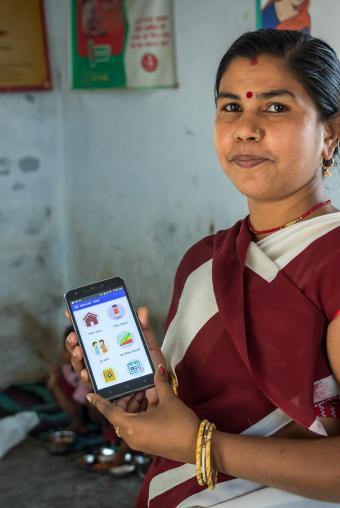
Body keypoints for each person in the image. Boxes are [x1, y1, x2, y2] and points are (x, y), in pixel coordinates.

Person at [66, 29, 340, 507]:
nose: (245, 128)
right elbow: (195, 409)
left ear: (330, 133)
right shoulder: (205, 260)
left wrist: (202, 446)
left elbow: (194, 437)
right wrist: (144, 400)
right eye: (230, 106)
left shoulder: (333, 262)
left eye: (275, 107)